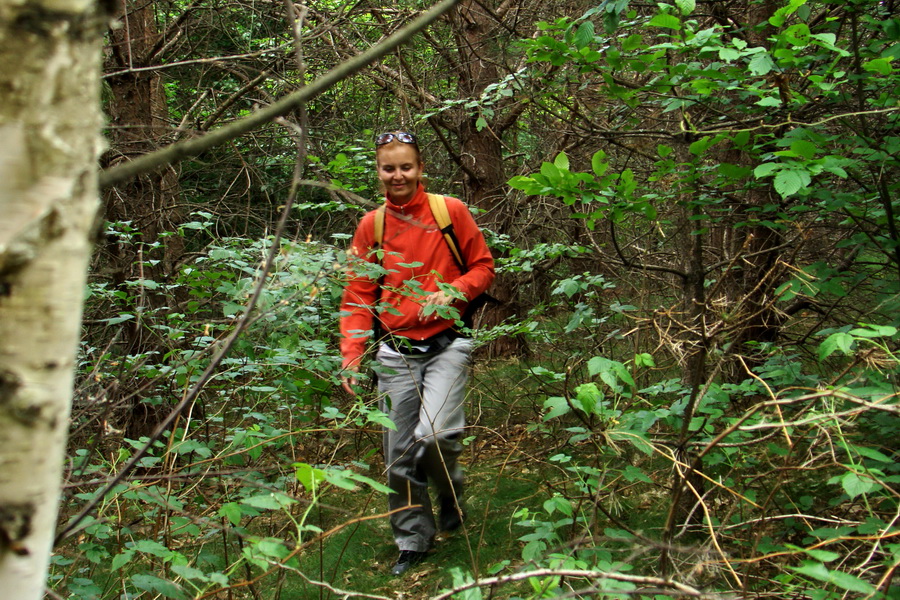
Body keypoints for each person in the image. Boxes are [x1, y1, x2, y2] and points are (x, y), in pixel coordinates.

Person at [338, 131, 495, 575]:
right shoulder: (373, 225)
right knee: (400, 454)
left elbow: (483, 266)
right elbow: (358, 295)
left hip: (448, 343)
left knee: (435, 437)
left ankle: (450, 495)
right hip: (395, 351)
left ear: (420, 169)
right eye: (389, 168)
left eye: (406, 166)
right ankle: (413, 539)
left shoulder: (450, 212)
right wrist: (351, 352)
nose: (398, 175)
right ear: (378, 172)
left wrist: (455, 290)